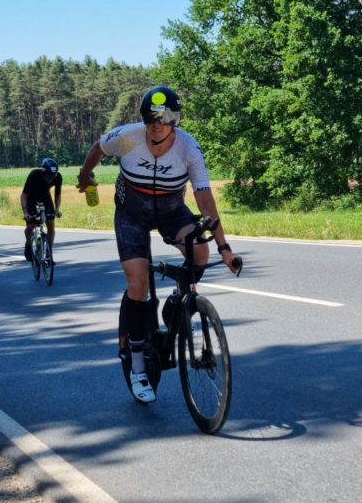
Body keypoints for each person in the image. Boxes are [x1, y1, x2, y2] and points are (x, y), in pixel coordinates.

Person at [75, 86, 241, 404]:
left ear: (175, 120)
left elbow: (204, 199)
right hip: (131, 215)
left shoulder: (189, 148)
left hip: (170, 212)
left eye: (165, 118)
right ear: (144, 120)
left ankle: (178, 307)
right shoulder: (127, 137)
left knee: (200, 250)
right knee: (137, 283)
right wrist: (85, 176)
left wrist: (224, 248)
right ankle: (137, 365)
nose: (157, 124)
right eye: (151, 117)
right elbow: (98, 147)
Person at [20, 158, 62, 262]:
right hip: (31, 199)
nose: (51, 178)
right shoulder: (34, 174)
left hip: (45, 198)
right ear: (43, 171)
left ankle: (48, 253)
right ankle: (28, 244)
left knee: (51, 225)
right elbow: (24, 195)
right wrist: (25, 212)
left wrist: (57, 209)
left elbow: (57, 195)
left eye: (53, 175)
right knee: (31, 225)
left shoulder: (58, 177)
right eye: (48, 175)